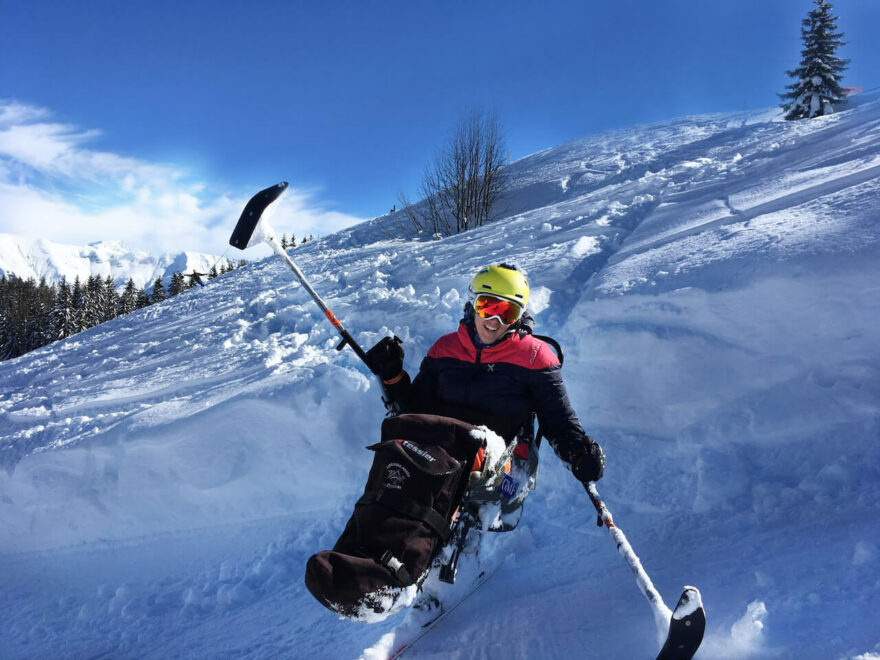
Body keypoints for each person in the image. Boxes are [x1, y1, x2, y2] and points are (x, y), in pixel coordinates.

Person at [366, 263, 605, 498]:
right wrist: (393, 376)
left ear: (520, 315)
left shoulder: (535, 357)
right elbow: (416, 410)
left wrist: (578, 451)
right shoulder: (445, 348)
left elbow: (558, 419)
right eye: (487, 306)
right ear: (472, 304)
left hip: (498, 466)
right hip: (440, 451)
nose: (494, 321)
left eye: (507, 313)